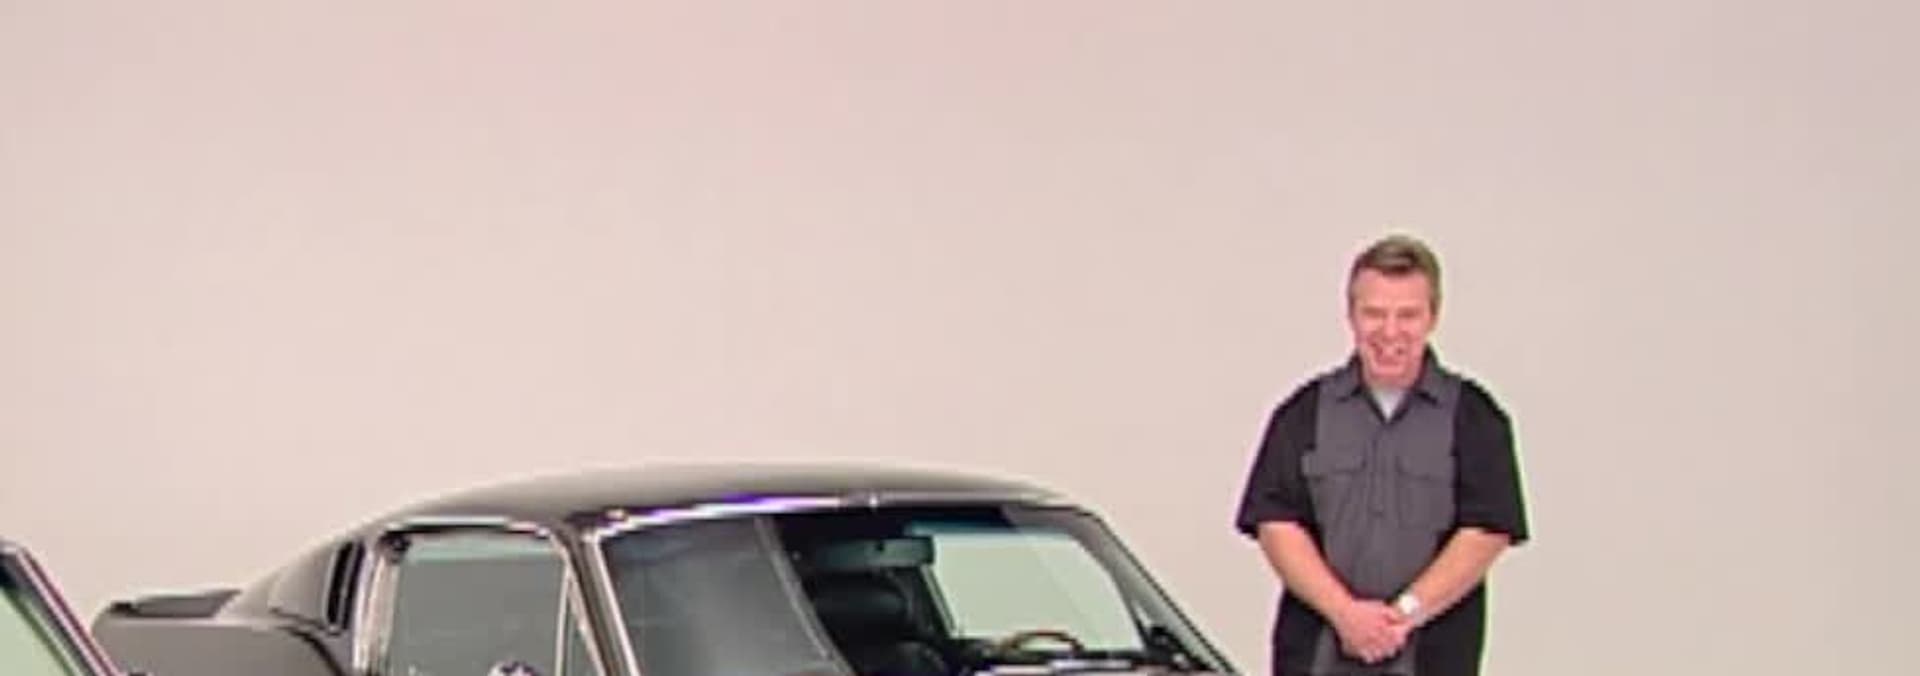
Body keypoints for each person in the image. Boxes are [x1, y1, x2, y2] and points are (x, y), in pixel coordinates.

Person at [1234, 234, 1530, 676]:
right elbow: (1275, 522)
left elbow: (1488, 530)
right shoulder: (1303, 413)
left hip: (1431, 661)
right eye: (1374, 313)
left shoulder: (1475, 418)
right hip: (1316, 659)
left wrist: (1404, 615)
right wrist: (1344, 613)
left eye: (1407, 315)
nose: (1390, 332)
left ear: (1433, 317)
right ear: (1350, 315)